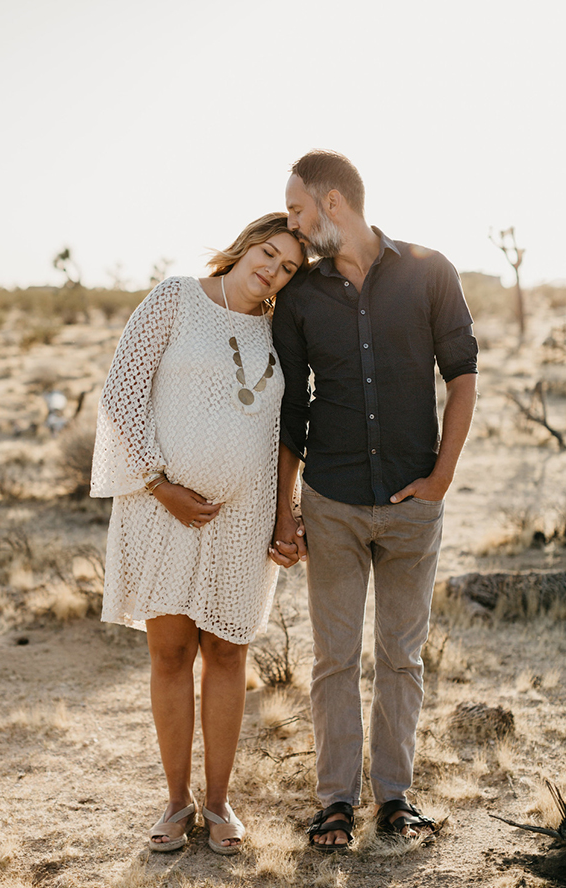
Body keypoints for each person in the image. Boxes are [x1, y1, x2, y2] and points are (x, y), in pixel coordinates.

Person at [269, 150, 478, 850]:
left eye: (298, 211)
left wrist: (442, 478)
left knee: (401, 656)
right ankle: (335, 801)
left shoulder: (430, 272)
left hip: (414, 501)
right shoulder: (299, 297)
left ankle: (394, 798)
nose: (293, 226)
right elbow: (293, 409)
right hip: (331, 501)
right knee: (333, 658)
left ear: (333, 204)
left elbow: (463, 375)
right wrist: (282, 510)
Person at [90, 213, 304, 855]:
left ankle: (219, 804)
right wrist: (159, 485)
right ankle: (176, 802)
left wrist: (282, 510)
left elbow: (289, 425)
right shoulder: (177, 297)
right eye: (267, 253)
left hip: (242, 519)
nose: (272, 269)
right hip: (160, 511)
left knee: (230, 653)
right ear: (243, 248)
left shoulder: (280, 332)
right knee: (171, 654)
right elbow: (121, 395)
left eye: (288, 266)